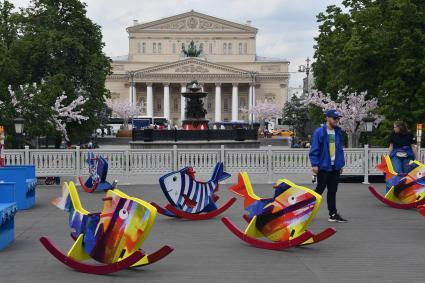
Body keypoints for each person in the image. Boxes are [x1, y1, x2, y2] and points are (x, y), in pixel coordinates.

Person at [309, 109, 347, 223]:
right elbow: (314, 149)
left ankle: (333, 214)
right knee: (319, 190)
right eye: (335, 118)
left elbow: (339, 149)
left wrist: (340, 165)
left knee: (332, 191)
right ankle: (305, 212)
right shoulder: (319, 132)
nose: (337, 120)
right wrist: (315, 164)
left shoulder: (338, 132)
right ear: (328, 118)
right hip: (324, 166)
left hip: (334, 167)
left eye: (338, 118)